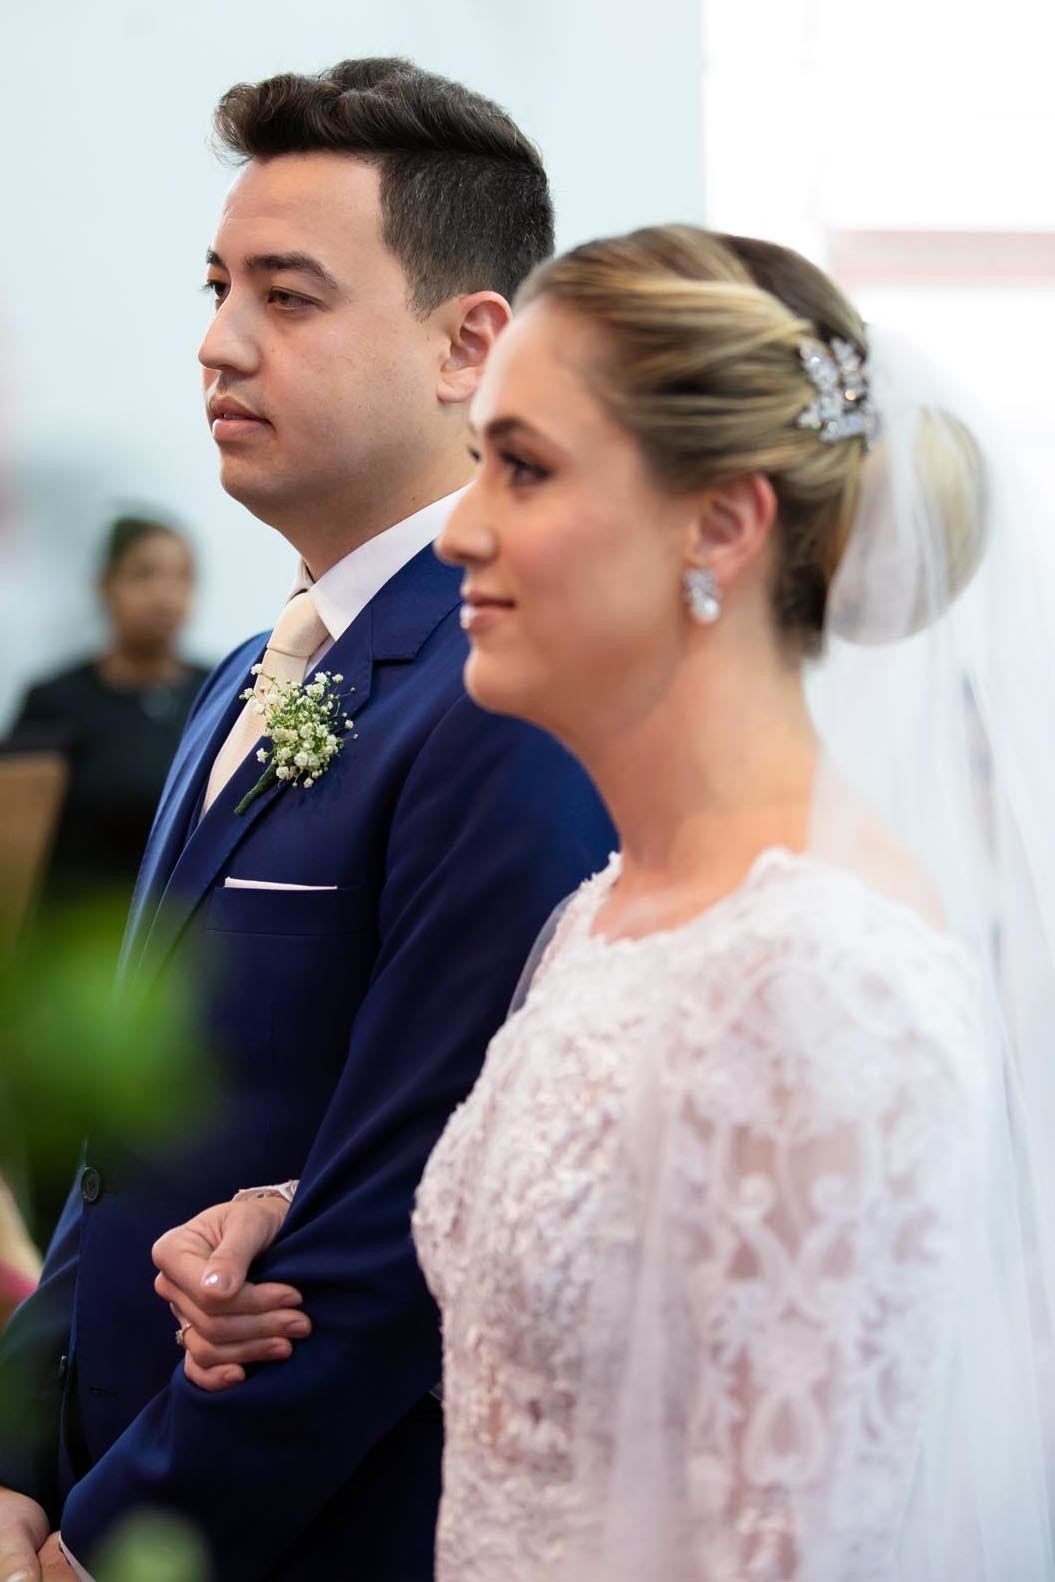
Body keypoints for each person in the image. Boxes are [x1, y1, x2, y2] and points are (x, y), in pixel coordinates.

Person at [160, 226, 1055, 1578]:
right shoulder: (609, 909)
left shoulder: (824, 979)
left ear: (719, 522)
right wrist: (292, 1207)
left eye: (521, 466)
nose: (461, 524)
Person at [0, 59, 613, 1582]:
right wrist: (17, 1464)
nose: (217, 341)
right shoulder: (238, 679)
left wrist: (120, 1540)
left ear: (468, 343)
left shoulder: (499, 695)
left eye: (288, 295)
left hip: (300, 1528)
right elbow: (118, 1147)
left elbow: (403, 1214)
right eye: (217, 286)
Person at [9, 515, 209, 910]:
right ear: (106, 585)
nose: (164, 595)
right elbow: (16, 838)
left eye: (181, 577)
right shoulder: (57, 701)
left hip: (180, 933)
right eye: (144, 575)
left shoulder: (218, 693)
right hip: (78, 936)